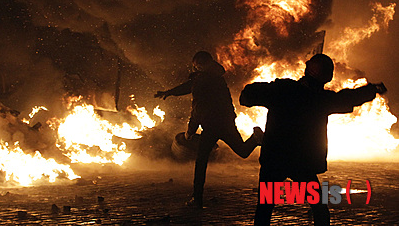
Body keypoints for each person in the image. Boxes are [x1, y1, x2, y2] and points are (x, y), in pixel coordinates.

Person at [239, 53, 387, 225]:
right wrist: (372, 89)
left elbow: (247, 96)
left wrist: (262, 91)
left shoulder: (283, 90)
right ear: (327, 77)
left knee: (265, 208)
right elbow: (346, 98)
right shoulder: (320, 99)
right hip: (301, 162)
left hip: (275, 159)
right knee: (319, 208)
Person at [155, 51, 263, 209]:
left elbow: (197, 109)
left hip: (211, 125)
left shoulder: (202, 80)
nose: (195, 68)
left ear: (199, 64)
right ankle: (255, 138)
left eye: (196, 66)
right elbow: (189, 87)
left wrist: (190, 131)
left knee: (201, 162)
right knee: (243, 151)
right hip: (226, 122)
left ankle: (197, 199)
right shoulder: (216, 76)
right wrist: (170, 92)